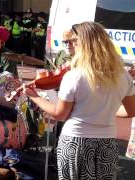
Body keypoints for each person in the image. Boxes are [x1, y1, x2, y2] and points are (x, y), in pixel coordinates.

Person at [23, 21, 135, 179]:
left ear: (83, 44)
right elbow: (131, 110)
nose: (71, 46)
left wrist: (33, 95)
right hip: (107, 143)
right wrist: (104, 110)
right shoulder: (124, 76)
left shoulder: (74, 76)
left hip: (76, 142)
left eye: (74, 41)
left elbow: (59, 114)